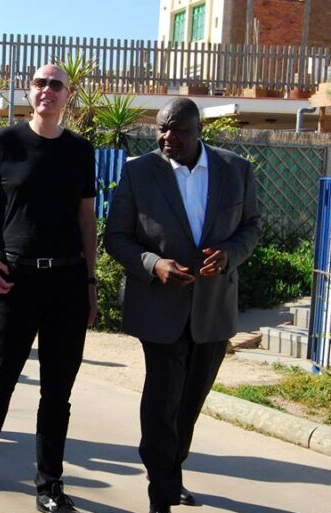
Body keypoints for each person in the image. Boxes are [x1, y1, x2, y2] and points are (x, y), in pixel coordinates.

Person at [104, 98, 260, 513]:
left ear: (198, 131)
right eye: (162, 128)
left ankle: (171, 472)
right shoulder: (139, 172)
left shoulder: (235, 170)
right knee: (162, 402)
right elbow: (116, 237)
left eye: (178, 130)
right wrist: (153, 264)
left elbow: (251, 227)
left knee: (189, 404)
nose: (167, 137)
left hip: (213, 310)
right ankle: (160, 492)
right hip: (159, 308)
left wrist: (229, 255)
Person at [0, 64, 98, 513]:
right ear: (30, 91)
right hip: (15, 281)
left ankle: (49, 483)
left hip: (67, 282)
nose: (47, 90)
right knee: (0, 380)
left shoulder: (80, 151)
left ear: (67, 94)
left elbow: (87, 221)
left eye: (56, 85)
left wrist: (91, 283)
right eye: (40, 83)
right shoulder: (5, 142)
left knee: (57, 392)